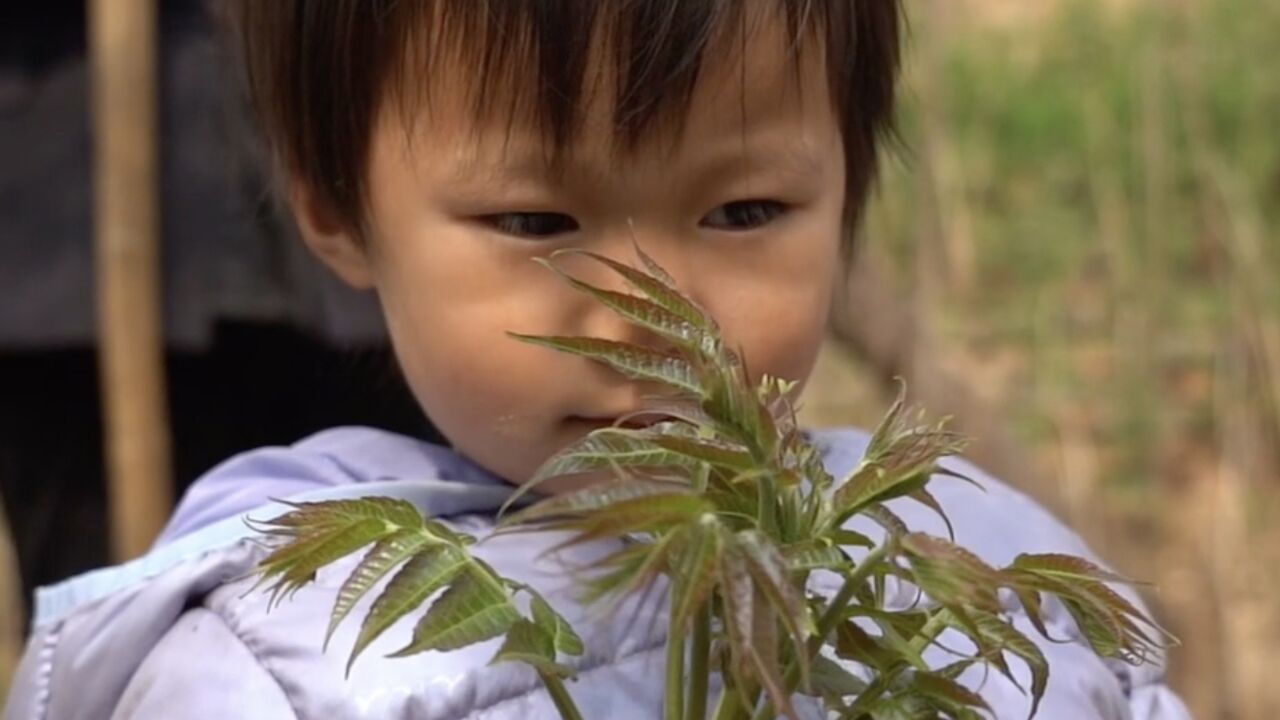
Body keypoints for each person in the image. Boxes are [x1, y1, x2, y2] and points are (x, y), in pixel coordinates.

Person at [4, 3, 1190, 718]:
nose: (650, 314)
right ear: (334, 208)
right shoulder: (262, 669)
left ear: (850, 192)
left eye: (741, 212)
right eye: (534, 223)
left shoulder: (987, 572)